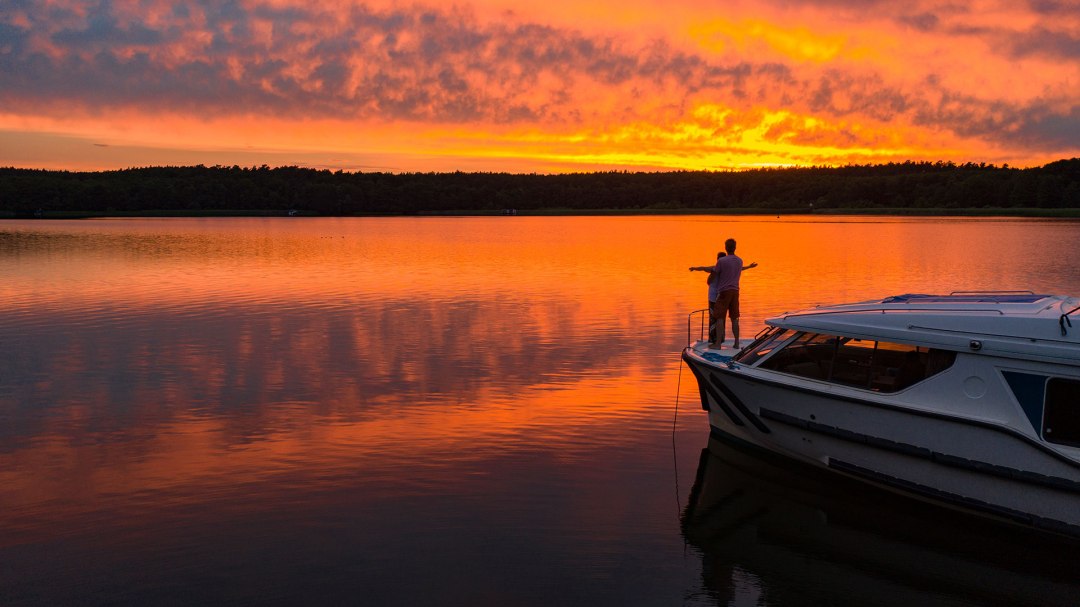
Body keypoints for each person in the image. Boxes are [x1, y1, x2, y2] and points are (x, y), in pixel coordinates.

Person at [692, 238, 757, 349]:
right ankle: (736, 343)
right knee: (734, 318)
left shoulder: (721, 261)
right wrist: (750, 267)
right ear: (735, 247)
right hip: (735, 292)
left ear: (726, 247)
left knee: (719, 318)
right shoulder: (739, 261)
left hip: (724, 292)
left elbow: (712, 277)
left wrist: (709, 280)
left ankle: (717, 344)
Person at [690, 252, 725, 344]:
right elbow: (703, 268)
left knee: (715, 318)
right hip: (718, 297)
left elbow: (703, 269)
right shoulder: (718, 269)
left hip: (716, 297)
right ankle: (717, 338)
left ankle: (716, 338)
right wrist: (694, 268)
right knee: (718, 318)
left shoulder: (717, 269)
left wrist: (749, 267)